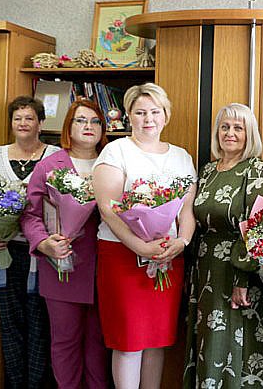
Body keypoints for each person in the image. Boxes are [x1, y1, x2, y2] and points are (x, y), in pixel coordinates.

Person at [92, 83, 197, 389]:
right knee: (128, 340)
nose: (148, 119)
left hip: (168, 256)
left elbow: (186, 211)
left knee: (156, 339)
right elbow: (108, 209)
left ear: (166, 115)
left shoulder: (181, 156)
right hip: (122, 256)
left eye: (154, 111)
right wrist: (140, 246)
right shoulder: (116, 151)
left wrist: (182, 242)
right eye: (140, 112)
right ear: (129, 115)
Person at [183, 103, 263, 388]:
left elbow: (257, 228)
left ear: (250, 134)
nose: (230, 133)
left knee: (234, 347)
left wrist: (242, 279)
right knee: (208, 345)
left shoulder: (257, 170)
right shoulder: (208, 170)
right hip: (205, 270)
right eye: (225, 127)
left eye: (238, 128)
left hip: (238, 271)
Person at [20, 99, 109, 388]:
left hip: (106, 267)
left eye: (95, 121)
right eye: (81, 120)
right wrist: (43, 243)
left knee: (99, 342)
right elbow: (30, 214)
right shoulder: (50, 165)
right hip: (62, 265)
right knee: (65, 341)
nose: (88, 126)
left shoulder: (113, 162)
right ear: (68, 127)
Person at [0, 95, 60, 388]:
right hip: (4, 251)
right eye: (18, 118)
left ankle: (37, 384)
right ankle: (15, 383)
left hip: (42, 252)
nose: (23, 123)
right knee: (9, 322)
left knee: (40, 322)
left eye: (29, 118)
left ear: (40, 123)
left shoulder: (55, 155)